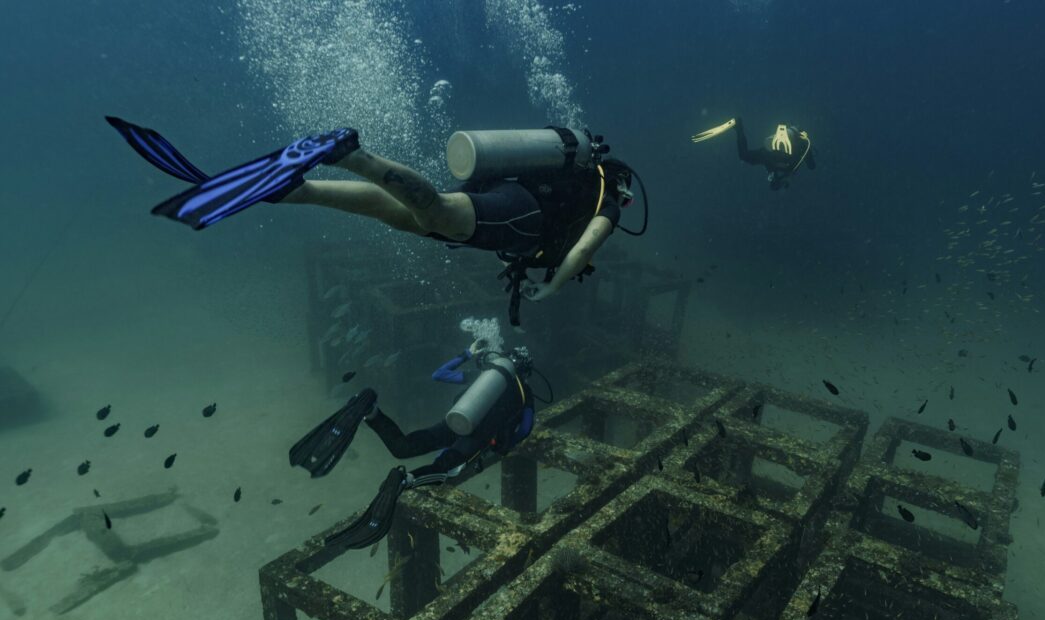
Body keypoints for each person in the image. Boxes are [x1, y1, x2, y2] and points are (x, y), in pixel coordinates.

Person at [104, 118, 648, 324]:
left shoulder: (581, 175)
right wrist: (550, 291)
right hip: (520, 218)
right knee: (438, 213)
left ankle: (294, 190)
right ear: (621, 181)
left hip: (512, 198)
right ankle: (349, 154)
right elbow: (583, 249)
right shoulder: (608, 195)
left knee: (409, 217)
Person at [287, 339, 539, 550]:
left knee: (404, 446)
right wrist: (504, 446)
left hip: (453, 423)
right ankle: (406, 479)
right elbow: (525, 429)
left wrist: (468, 353)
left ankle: (371, 411)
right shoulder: (525, 394)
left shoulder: (484, 377)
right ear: (525, 373)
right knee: (445, 470)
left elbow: (438, 374)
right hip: (476, 440)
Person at [691, 117, 816, 191]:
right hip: (776, 158)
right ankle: (738, 126)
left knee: (744, 155)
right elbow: (811, 166)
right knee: (781, 161)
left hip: (768, 153)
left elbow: (775, 173)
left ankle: (738, 125)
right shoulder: (804, 144)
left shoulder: (801, 144)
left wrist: (777, 181)